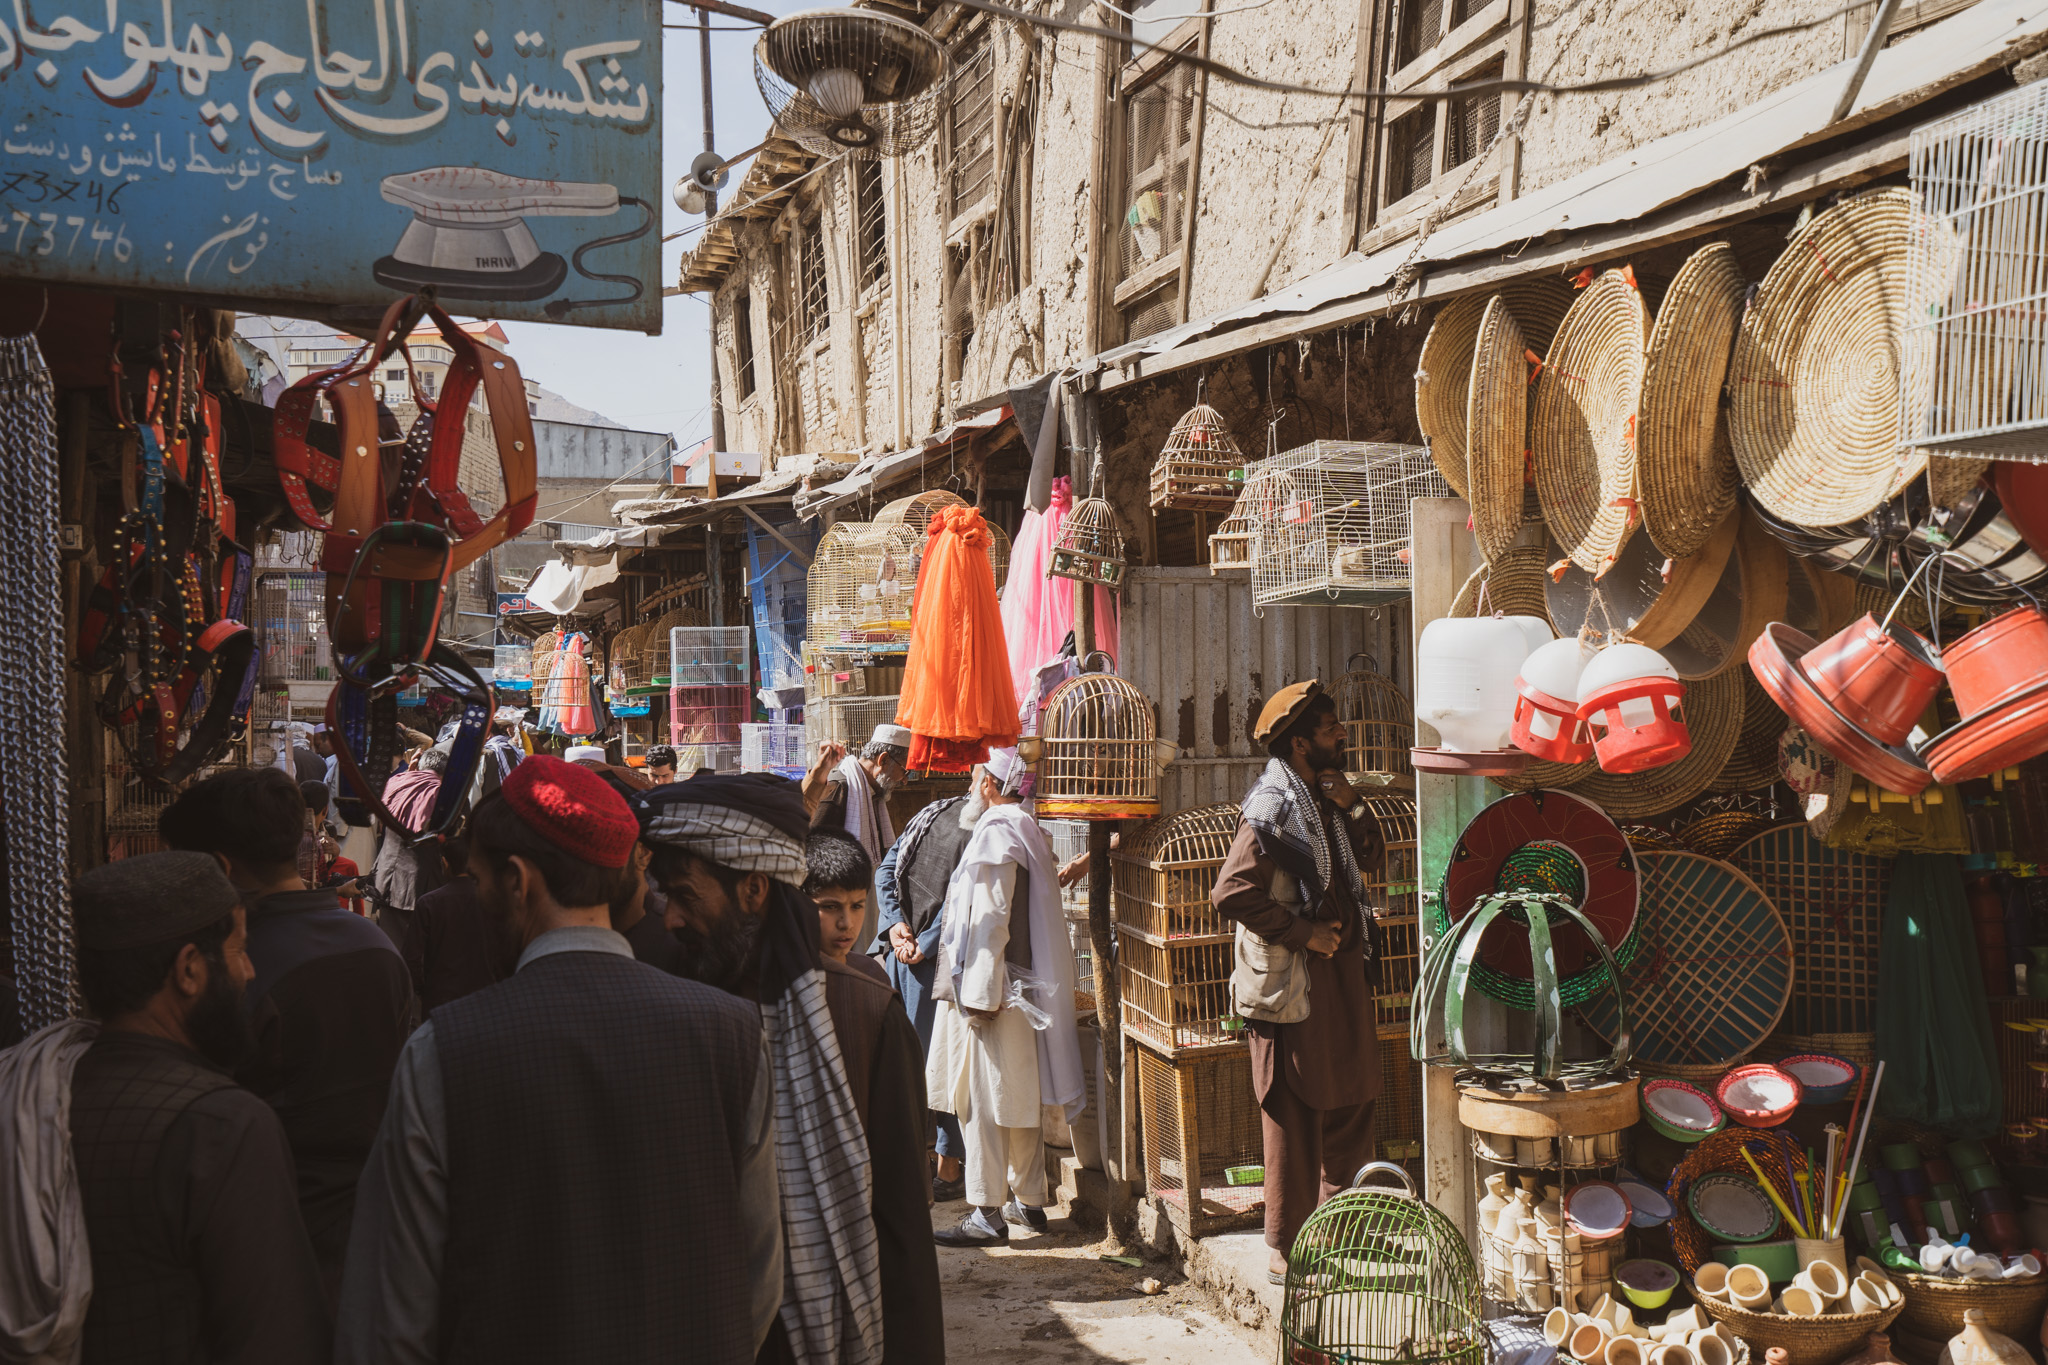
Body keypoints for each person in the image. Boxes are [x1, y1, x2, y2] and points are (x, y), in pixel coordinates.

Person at [338, 757, 783, 1364]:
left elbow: (392, 1312)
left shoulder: (446, 1050)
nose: (478, 895)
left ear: (518, 881)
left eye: (480, 879)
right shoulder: (733, 1034)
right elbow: (759, 1272)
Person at [0, 852, 328, 1364]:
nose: (249, 970)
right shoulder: (223, 1127)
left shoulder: (27, 1094)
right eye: (239, 950)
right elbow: (277, 1340)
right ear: (190, 970)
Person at [633, 774, 887, 1365]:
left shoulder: (866, 1013)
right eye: (663, 898)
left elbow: (896, 1227)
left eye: (686, 896)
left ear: (752, 889)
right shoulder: (668, 1014)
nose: (670, 920)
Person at [158, 767, 415, 1303]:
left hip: (266, 1234)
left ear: (221, 867)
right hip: (377, 1226)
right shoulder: (375, 947)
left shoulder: (234, 967)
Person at [1212, 680, 1387, 1285]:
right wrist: (1302, 933)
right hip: (1294, 981)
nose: (1342, 734)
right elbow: (1231, 892)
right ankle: (1285, 1246)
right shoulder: (1273, 806)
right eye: (1331, 728)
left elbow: (1370, 855)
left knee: (1352, 1094)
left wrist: (1353, 803)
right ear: (1300, 742)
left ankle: (1341, 1234)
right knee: (1293, 1105)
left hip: (1340, 978)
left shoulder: (1324, 796)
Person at [924, 750, 1085, 1248]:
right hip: (1013, 989)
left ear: (989, 783)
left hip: (994, 992)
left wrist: (978, 995)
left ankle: (986, 1212)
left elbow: (993, 918)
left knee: (982, 1102)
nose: (973, 787)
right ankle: (1030, 1202)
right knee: (1013, 1097)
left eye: (977, 779)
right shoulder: (1023, 827)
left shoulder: (998, 830)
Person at [799, 831, 947, 1362]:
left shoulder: (870, 982)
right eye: (829, 908)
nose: (846, 924)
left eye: (858, 907)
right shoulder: (785, 988)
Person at [873, 785, 979, 1202]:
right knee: (920, 1062)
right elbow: (888, 869)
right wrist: (899, 927)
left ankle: (948, 1165)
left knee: (932, 1063)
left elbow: (961, 904)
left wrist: (909, 935)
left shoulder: (960, 819)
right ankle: (934, 1162)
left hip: (925, 960)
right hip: (911, 956)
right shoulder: (942, 813)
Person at [810, 724, 910, 954]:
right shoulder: (839, 786)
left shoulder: (872, 794)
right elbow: (814, 847)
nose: (905, 780)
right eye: (905, 771)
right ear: (883, 760)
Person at [412, 834, 520, 1012]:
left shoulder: (429, 902)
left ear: (445, 863)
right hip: (486, 998)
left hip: (439, 1000)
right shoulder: (497, 902)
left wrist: (423, 990)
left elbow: (412, 959)